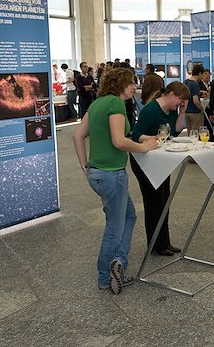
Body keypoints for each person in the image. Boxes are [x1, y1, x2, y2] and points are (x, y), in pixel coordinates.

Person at [72, 68, 158, 295]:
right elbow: (118, 141)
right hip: (113, 175)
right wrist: (144, 147)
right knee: (115, 225)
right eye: (131, 83)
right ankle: (105, 276)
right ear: (121, 84)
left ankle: (118, 261)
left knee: (129, 215)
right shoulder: (116, 104)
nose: (134, 87)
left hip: (98, 173)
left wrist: (84, 166)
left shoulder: (97, 104)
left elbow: (78, 135)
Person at [130, 82, 190, 256]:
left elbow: (176, 131)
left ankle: (164, 241)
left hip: (160, 161)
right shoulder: (150, 110)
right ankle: (155, 244)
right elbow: (136, 135)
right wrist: (154, 138)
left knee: (164, 200)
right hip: (144, 161)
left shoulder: (171, 111)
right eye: (180, 100)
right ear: (170, 94)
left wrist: (182, 112)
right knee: (154, 202)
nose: (180, 103)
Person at [184, 63, 206, 132]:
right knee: (196, 134)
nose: (202, 77)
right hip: (195, 113)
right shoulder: (195, 84)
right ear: (199, 73)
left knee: (189, 134)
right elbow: (195, 100)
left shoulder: (185, 82)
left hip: (186, 112)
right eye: (202, 74)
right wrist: (202, 109)